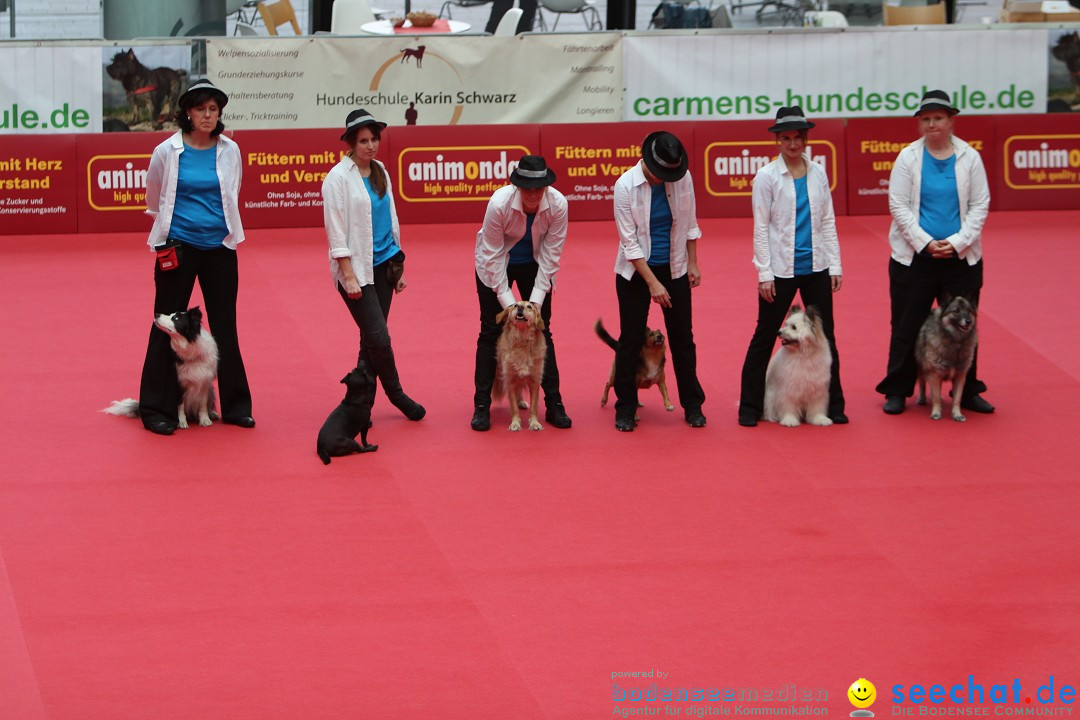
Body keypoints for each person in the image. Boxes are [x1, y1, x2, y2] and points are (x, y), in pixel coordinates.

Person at [138, 79, 253, 436]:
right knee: (165, 327)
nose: (207, 115)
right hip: (179, 248)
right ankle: (156, 409)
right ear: (187, 112)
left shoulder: (230, 150)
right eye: (201, 109)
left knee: (225, 328)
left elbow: (232, 191)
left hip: (219, 248)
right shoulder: (166, 152)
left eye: (213, 110)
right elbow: (154, 198)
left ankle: (235, 407)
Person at [876, 89, 993, 415]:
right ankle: (898, 390)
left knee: (964, 325)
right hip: (914, 258)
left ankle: (967, 391)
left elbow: (980, 204)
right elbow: (897, 205)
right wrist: (925, 243)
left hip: (961, 258)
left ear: (951, 121)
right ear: (920, 123)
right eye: (925, 119)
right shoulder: (907, 157)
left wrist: (956, 243)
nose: (931, 125)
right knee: (905, 325)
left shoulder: (969, 157)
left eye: (938, 118)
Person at [738, 106, 846, 427]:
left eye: (798, 137)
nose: (793, 144)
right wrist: (764, 273)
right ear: (777, 141)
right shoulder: (766, 178)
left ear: (806, 138)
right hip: (780, 270)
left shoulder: (818, 173)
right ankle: (750, 406)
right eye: (786, 138)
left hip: (817, 266)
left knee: (826, 337)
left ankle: (833, 405)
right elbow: (761, 227)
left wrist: (835, 264)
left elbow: (827, 221)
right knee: (764, 336)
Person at [321, 109, 426, 422]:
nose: (370, 145)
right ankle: (397, 395)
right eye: (363, 140)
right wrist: (348, 276)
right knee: (379, 338)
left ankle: (360, 404)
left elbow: (390, 221)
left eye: (374, 138)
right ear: (351, 144)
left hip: (384, 266)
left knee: (370, 340)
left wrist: (398, 267)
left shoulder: (380, 170)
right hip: (357, 273)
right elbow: (335, 230)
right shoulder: (337, 178)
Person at [611, 131, 706, 432]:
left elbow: (689, 223)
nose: (665, 177)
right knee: (630, 339)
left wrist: (692, 261)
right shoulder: (625, 186)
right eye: (660, 172)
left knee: (682, 340)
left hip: (675, 267)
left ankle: (693, 405)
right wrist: (652, 283)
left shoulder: (683, 178)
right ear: (647, 162)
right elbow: (630, 244)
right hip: (635, 272)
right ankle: (625, 407)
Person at [471, 155, 572, 431]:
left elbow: (551, 256)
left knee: (542, 329)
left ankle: (554, 405)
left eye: (538, 189)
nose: (533, 194)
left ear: (546, 188)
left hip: (536, 266)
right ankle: (482, 406)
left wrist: (533, 306)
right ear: (517, 187)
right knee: (490, 331)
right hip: (495, 266)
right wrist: (510, 307)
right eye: (527, 188)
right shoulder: (499, 204)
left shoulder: (559, 205)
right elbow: (491, 256)